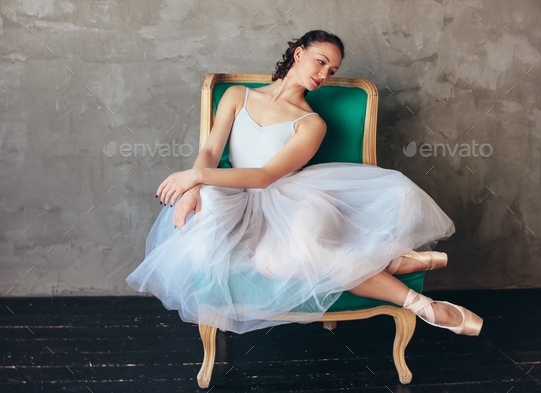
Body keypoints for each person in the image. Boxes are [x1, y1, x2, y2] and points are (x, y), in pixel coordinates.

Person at [126, 30, 483, 336]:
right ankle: (393, 262)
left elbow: (265, 177)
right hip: (235, 197)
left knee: (308, 254)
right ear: (299, 53)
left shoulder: (311, 123)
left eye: (332, 70)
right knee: (272, 265)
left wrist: (198, 177)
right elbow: (209, 152)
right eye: (320, 61)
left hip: (292, 199)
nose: (324, 74)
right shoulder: (238, 97)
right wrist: (192, 188)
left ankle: (424, 306)